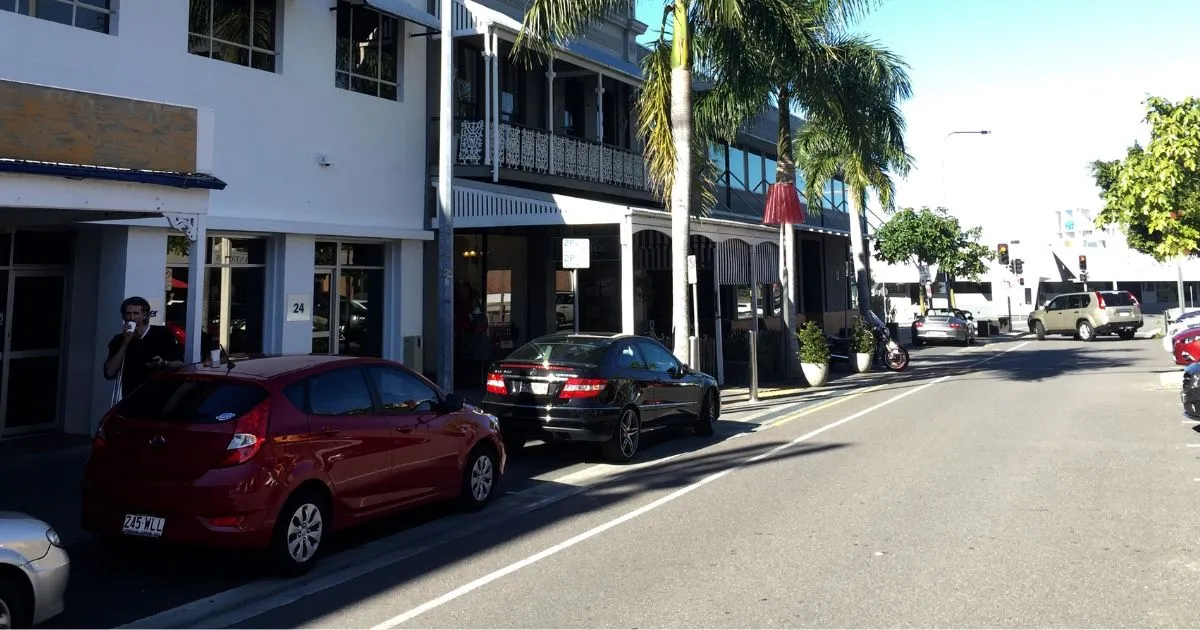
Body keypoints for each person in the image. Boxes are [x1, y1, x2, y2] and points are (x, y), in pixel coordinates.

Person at [103, 296, 185, 401]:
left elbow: (180, 364)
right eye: (128, 313)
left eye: (136, 313)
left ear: (144, 315)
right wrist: (125, 343)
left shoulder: (162, 334)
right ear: (123, 316)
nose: (131, 318)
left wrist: (164, 363)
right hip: (131, 397)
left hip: (159, 396)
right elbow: (110, 373)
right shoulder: (119, 339)